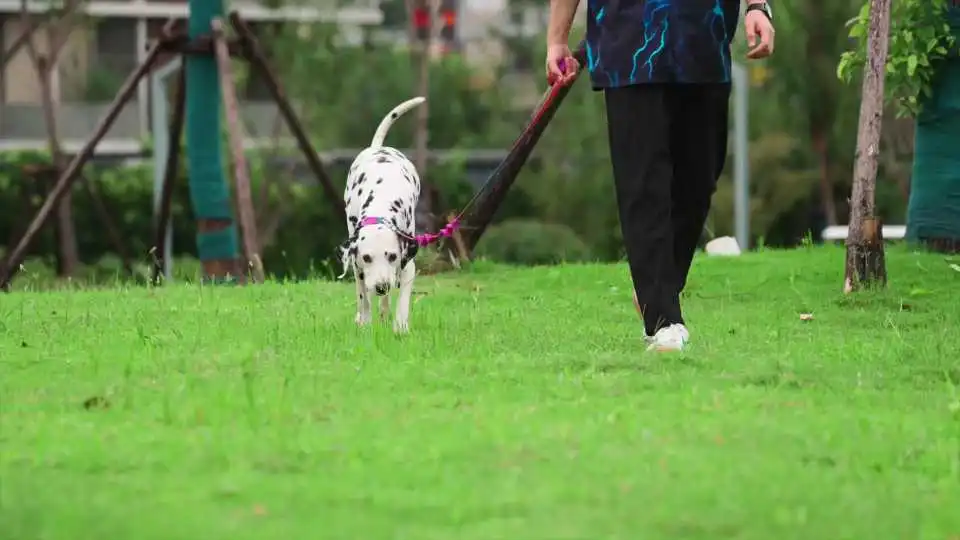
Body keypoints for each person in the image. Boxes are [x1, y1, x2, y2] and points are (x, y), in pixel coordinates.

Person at [545, 0, 775, 351]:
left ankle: (657, 288)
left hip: (704, 35)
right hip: (628, 41)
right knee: (642, 182)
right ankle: (663, 319)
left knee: (699, 178)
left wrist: (758, 6)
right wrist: (556, 39)